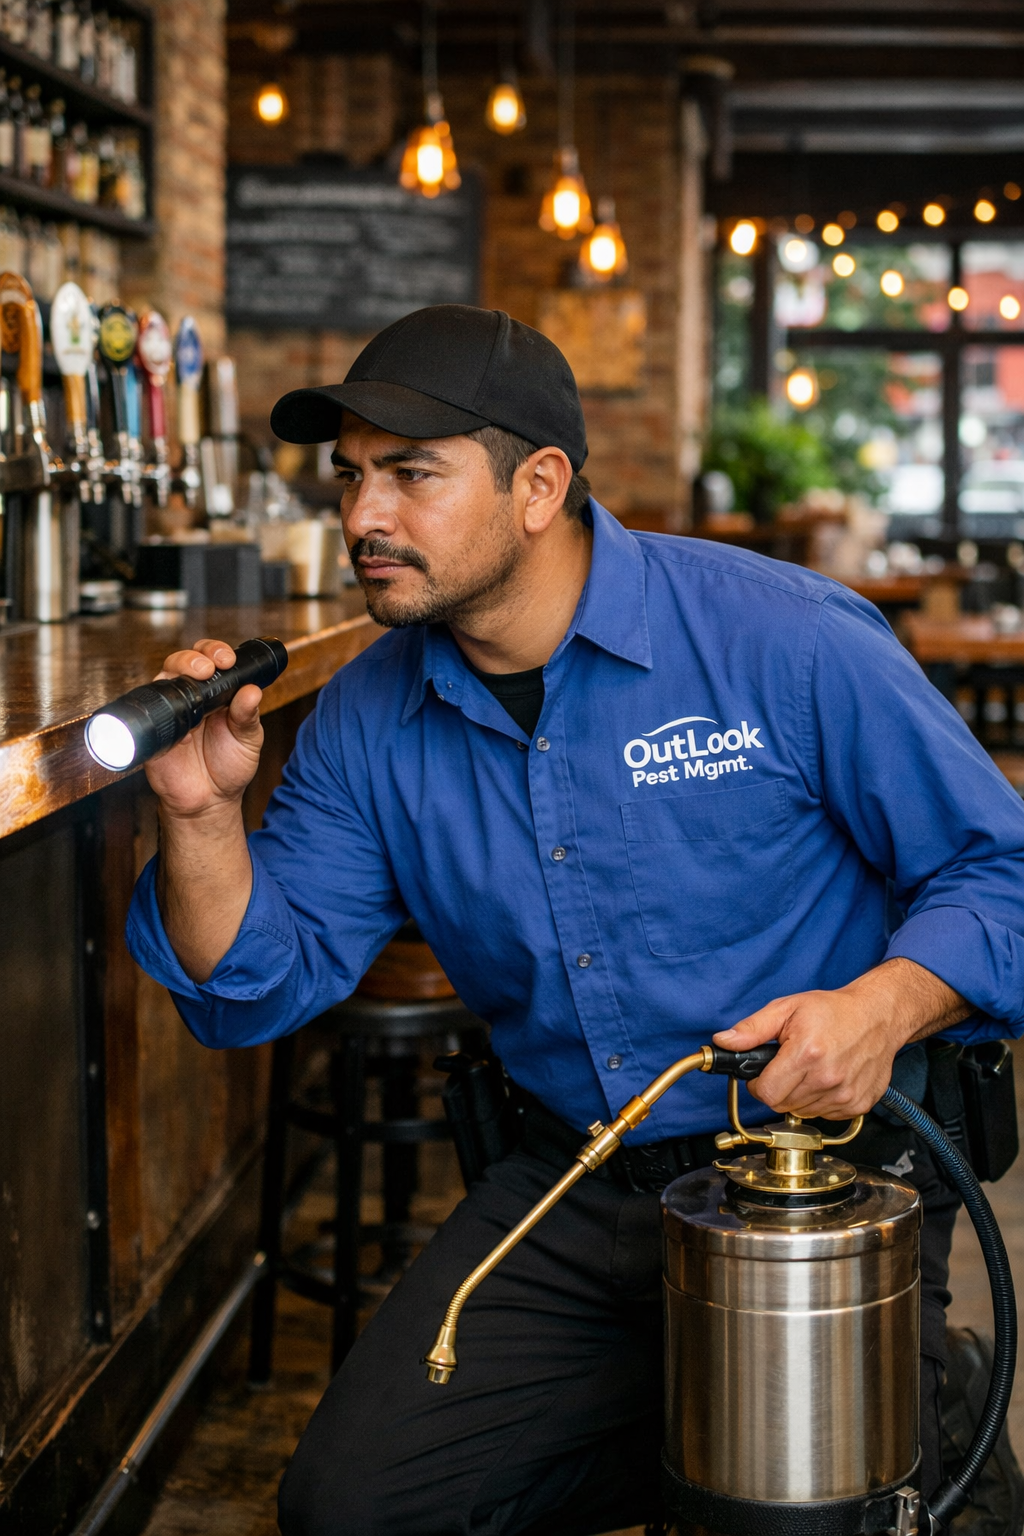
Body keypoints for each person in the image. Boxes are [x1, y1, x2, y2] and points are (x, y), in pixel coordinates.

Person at [126, 304, 1024, 1536]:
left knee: (794, 1508)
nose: (361, 517)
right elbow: (251, 994)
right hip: (570, 1183)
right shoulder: (367, 717)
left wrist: (886, 1005)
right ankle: (768, 1427)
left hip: (813, 1185)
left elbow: (1001, 870)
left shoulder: (784, 639)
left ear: (538, 483)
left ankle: (906, 1413)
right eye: (349, 477)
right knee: (351, 1511)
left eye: (410, 474)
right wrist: (201, 817)